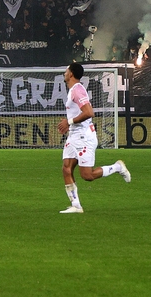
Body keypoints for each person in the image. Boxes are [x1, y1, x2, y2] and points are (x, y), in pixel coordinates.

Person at [57, 63, 130, 213]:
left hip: (84, 137)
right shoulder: (72, 90)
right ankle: (76, 206)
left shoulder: (78, 90)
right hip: (74, 135)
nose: (64, 72)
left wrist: (69, 122)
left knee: (87, 175)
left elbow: (89, 112)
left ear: (71, 74)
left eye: (66, 70)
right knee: (66, 168)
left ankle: (117, 167)